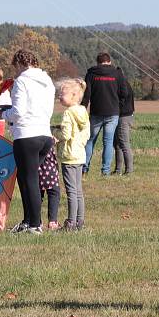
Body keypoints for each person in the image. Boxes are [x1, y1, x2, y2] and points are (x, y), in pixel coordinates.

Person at [0, 49, 55, 235]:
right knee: (24, 178)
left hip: (26, 135)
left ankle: (35, 224)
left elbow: (19, 112)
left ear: (20, 64)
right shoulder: (47, 81)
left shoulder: (22, 81)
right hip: (44, 134)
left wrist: (3, 114)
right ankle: (28, 220)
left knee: (29, 180)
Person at [52, 78, 90, 231]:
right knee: (78, 190)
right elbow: (86, 133)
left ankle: (70, 223)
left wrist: (54, 133)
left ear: (74, 95)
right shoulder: (82, 111)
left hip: (68, 155)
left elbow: (66, 134)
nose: (59, 96)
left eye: (63, 94)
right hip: (80, 155)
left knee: (71, 191)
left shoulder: (68, 113)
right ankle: (80, 221)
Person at [81, 52, 128, 176]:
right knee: (108, 142)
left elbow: (87, 95)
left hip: (96, 112)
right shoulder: (118, 73)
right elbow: (124, 92)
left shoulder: (91, 74)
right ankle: (105, 171)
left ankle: (84, 169)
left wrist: (82, 109)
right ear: (109, 61)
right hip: (113, 113)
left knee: (90, 141)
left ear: (97, 62)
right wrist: (119, 105)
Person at [113, 71, 135, 174]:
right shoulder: (125, 83)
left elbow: (121, 100)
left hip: (124, 117)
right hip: (124, 116)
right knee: (117, 144)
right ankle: (118, 170)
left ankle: (129, 170)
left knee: (124, 144)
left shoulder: (122, 86)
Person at [38, 145, 61, 231]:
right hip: (49, 166)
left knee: (37, 194)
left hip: (36, 166)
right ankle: (52, 221)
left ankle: (37, 221)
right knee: (54, 192)